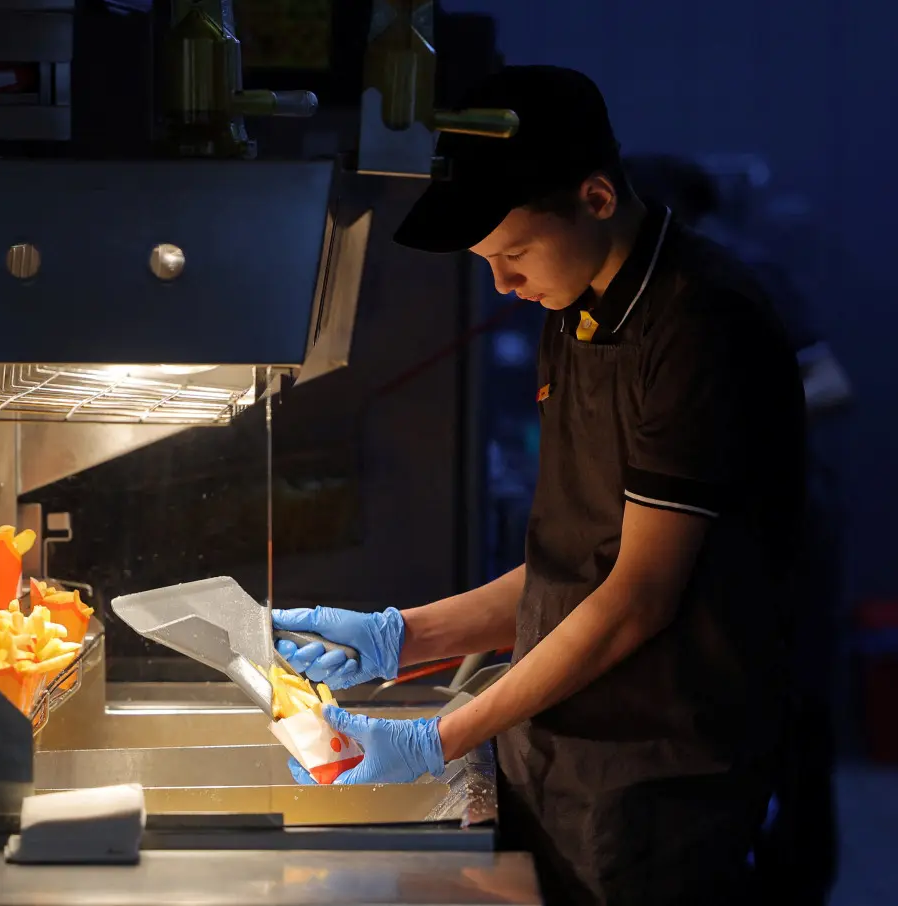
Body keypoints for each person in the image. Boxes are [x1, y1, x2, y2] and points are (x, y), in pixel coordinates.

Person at [274, 66, 807, 906]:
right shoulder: (578, 307)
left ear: (597, 197)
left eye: (513, 253)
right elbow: (578, 559)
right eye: (490, 260)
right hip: (557, 743)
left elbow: (635, 595)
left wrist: (436, 738)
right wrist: (399, 636)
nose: (503, 284)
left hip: (657, 771)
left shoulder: (704, 328)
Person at [628, 154, 852, 906]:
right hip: (723, 537)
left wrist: (723, 420)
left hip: (777, 532)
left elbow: (829, 381)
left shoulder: (737, 279)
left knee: (793, 718)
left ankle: (797, 883)